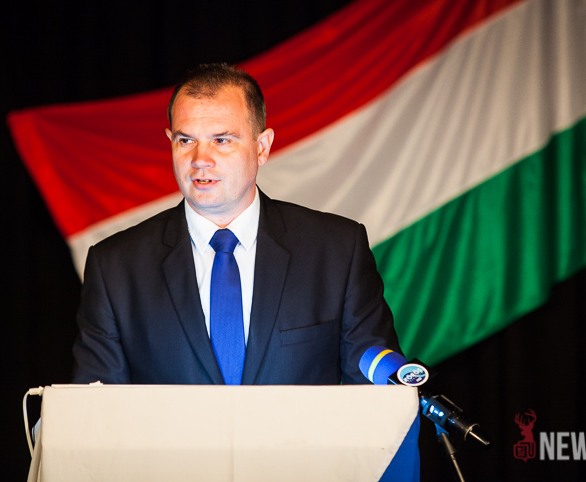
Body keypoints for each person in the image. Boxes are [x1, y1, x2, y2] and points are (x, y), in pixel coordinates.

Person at [71, 62, 401, 385]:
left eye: (222, 140)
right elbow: (93, 412)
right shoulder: (114, 268)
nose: (200, 160)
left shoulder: (338, 251)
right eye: (186, 141)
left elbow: (380, 401)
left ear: (262, 148)